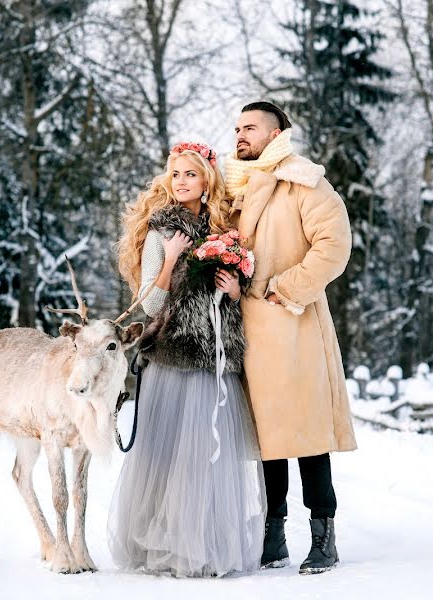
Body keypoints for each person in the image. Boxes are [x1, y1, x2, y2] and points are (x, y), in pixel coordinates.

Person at [108, 141, 266, 578]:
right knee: (170, 457)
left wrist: (236, 291)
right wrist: (170, 259)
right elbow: (148, 302)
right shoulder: (161, 231)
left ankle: (207, 544)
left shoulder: (226, 231)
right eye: (175, 174)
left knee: (210, 461)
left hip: (216, 358)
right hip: (173, 358)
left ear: (207, 179)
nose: (181, 182)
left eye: (190, 174)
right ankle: (168, 545)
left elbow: (240, 292)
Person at [226, 101, 356, 575]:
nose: (240, 135)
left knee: (306, 432)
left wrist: (287, 287)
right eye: (237, 128)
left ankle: (323, 535)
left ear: (277, 132)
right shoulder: (236, 190)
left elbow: (334, 245)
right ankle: (272, 533)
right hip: (249, 335)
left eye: (250, 127)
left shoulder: (304, 181)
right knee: (265, 435)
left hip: (293, 326)